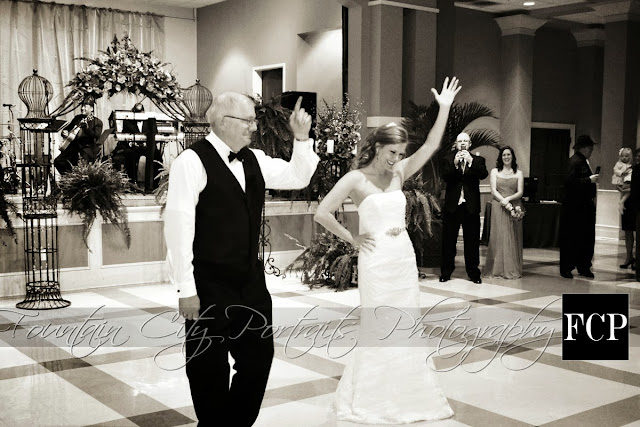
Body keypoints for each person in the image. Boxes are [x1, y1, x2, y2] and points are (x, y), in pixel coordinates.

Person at [163, 92, 319, 426]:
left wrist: (302, 139)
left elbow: (298, 177)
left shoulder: (255, 159)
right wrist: (185, 289)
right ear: (223, 122)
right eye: (247, 120)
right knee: (208, 366)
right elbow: (178, 228)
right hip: (208, 283)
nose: (254, 127)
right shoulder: (191, 162)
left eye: (254, 120)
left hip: (250, 281)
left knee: (259, 358)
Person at [314, 77, 460, 424]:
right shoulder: (355, 179)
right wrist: (352, 238)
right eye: (392, 152)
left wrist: (444, 108)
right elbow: (322, 212)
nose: (397, 159)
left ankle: (409, 391)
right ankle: (373, 395)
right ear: (378, 147)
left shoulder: (400, 172)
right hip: (376, 261)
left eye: (401, 154)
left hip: (402, 258)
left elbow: (432, 145)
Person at [439, 132, 489, 284]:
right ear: (456, 143)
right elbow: (445, 177)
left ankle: (474, 273)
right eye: (460, 141)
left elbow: (483, 174)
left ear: (470, 144)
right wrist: (455, 164)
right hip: (452, 207)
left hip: (471, 207)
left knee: (472, 242)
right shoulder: (448, 159)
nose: (462, 143)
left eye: (465, 141)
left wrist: (470, 161)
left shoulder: (478, 160)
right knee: (448, 241)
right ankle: (446, 272)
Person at [559, 135, 599, 279]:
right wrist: (589, 180)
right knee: (573, 238)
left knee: (583, 238)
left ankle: (582, 266)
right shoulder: (575, 162)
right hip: (575, 208)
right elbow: (569, 183)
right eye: (590, 148)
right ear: (584, 148)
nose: (591, 151)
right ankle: (570, 267)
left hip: (582, 208)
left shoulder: (580, 161)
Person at [483, 146, 524, 279]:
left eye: (508, 155)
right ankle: (497, 269)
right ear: (501, 157)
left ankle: (511, 268)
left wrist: (509, 199)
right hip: (498, 206)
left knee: (512, 236)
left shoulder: (518, 173)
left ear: (512, 157)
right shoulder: (495, 171)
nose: (506, 157)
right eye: (504, 155)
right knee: (499, 235)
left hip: (514, 204)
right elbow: (493, 190)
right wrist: (504, 202)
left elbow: (520, 192)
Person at [54, 102, 103, 174]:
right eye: (82, 106)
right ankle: (69, 176)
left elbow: (96, 136)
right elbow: (67, 129)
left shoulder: (97, 122)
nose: (82, 108)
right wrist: (64, 132)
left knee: (82, 166)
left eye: (85, 106)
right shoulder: (77, 118)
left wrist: (87, 128)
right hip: (73, 147)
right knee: (58, 161)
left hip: (87, 148)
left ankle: (76, 177)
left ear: (92, 108)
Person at [613, 147, 635, 269]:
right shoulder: (620, 165)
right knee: (628, 230)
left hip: (636, 201)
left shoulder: (633, 169)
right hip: (628, 202)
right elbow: (618, 179)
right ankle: (629, 256)